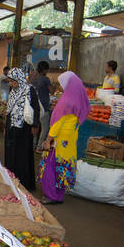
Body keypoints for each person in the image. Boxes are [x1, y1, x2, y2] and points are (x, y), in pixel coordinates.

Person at [38, 71, 89, 203]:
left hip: (59, 139)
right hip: (70, 139)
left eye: (62, 84)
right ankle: (58, 195)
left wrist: (48, 139)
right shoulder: (79, 100)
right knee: (62, 165)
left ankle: (51, 195)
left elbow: (57, 124)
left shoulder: (66, 101)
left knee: (50, 165)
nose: (60, 87)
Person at [3, 63, 37, 192]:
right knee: (11, 154)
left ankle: (24, 183)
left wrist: (35, 126)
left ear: (19, 79)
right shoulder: (13, 92)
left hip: (24, 129)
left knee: (22, 156)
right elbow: (9, 110)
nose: (11, 84)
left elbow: (36, 109)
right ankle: (12, 180)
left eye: (12, 81)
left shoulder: (29, 90)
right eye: (10, 81)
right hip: (12, 127)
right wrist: (6, 126)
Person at [30, 61, 53, 144]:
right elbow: (52, 91)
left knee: (36, 126)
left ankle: (33, 145)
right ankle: (40, 146)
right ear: (44, 70)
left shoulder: (34, 80)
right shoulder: (46, 79)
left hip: (35, 108)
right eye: (47, 70)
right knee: (45, 128)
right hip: (44, 107)